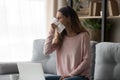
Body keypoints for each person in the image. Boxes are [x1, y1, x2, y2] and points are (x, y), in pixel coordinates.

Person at [43, 6, 90, 80]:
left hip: (80, 76)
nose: (56, 21)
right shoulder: (60, 37)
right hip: (62, 77)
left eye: (59, 18)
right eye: (56, 18)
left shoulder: (83, 36)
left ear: (69, 18)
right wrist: (52, 30)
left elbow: (87, 61)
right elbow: (46, 51)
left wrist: (71, 74)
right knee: (42, 78)